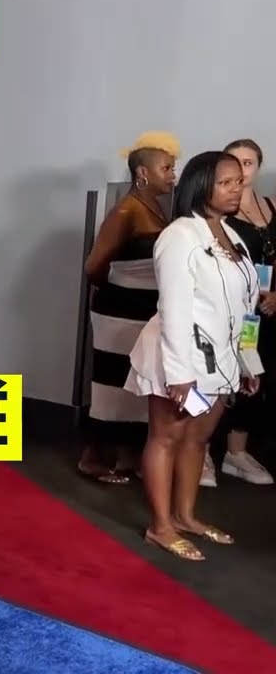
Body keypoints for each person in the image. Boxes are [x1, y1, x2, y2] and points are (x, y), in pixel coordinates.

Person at [124, 150, 262, 561]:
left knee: (198, 439)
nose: (236, 189)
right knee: (166, 438)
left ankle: (185, 517)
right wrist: (179, 375)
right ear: (201, 186)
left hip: (221, 360)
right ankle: (160, 526)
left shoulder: (234, 236)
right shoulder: (180, 235)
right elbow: (175, 310)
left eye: (239, 181)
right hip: (180, 357)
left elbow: (246, 308)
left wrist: (249, 362)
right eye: (226, 182)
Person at [79, 132, 179, 483]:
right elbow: (94, 266)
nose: (173, 175)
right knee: (111, 385)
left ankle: (125, 456)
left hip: (142, 311)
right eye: (166, 168)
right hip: (118, 311)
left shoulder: (153, 206)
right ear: (143, 173)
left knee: (132, 384)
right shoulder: (126, 210)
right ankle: (93, 458)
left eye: (174, 168)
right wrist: (124, 288)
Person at [210, 138, 275, 485]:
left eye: (248, 163)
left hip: (264, 313)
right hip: (232, 310)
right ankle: (202, 451)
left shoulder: (270, 206)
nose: (241, 171)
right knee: (221, 375)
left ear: (258, 166)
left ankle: (237, 452)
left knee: (256, 375)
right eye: (234, 163)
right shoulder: (219, 214)